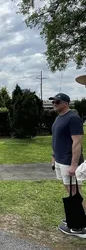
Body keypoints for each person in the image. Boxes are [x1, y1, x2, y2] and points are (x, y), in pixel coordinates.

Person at [49, 93, 86, 238]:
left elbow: (77, 143)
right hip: (59, 159)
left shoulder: (73, 118)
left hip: (68, 161)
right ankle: (77, 218)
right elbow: (57, 139)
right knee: (70, 190)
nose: (54, 104)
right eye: (53, 102)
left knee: (74, 193)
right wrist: (53, 156)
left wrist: (74, 165)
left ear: (66, 103)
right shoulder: (59, 118)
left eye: (57, 102)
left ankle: (79, 226)